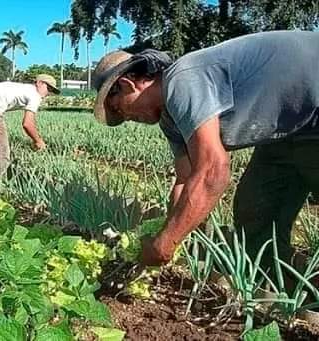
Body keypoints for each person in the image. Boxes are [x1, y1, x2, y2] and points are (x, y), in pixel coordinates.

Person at [92, 31, 319, 270]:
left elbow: (212, 171)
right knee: (255, 211)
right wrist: (171, 228)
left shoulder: (183, 80)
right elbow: (185, 179)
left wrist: (164, 246)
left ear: (128, 85)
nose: (126, 118)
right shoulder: (170, 121)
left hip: (313, 107)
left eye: (119, 109)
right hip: (290, 130)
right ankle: (290, 290)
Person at [0, 74, 60, 177]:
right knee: (1, 154)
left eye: (51, 91)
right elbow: (27, 124)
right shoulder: (35, 95)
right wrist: (38, 141)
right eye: (48, 88)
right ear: (39, 83)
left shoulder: (22, 88)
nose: (48, 93)